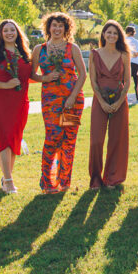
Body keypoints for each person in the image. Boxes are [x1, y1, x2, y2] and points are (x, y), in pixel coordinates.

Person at [0, 19, 48, 194]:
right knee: (3, 139)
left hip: (20, 103)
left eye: (12, 30)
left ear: (18, 33)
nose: (9, 33)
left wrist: (47, 78)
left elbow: (29, 76)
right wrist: (6, 85)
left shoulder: (24, 54)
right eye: (6, 30)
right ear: (0, 34)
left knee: (13, 140)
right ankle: (9, 180)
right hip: (0, 102)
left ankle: (6, 178)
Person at [32, 12, 87, 193]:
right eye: (54, 25)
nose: (57, 29)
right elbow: (32, 74)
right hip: (50, 101)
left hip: (72, 102)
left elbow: (82, 75)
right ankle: (47, 182)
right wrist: (45, 78)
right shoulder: (39, 49)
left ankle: (64, 181)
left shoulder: (73, 48)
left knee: (68, 141)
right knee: (53, 137)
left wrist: (72, 98)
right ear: (48, 28)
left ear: (66, 29)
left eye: (60, 26)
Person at [88, 20, 131, 190]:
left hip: (119, 100)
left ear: (119, 36)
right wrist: (102, 101)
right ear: (103, 34)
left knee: (116, 140)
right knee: (96, 141)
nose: (112, 35)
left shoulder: (124, 55)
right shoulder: (94, 54)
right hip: (100, 101)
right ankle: (95, 179)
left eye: (115, 33)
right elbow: (93, 81)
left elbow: (127, 82)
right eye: (109, 32)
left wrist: (119, 102)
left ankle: (112, 178)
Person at [125, 25, 138, 105]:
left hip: (126, 63)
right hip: (135, 63)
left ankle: (123, 96)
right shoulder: (135, 41)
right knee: (136, 81)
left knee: (124, 81)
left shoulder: (124, 41)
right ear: (133, 32)